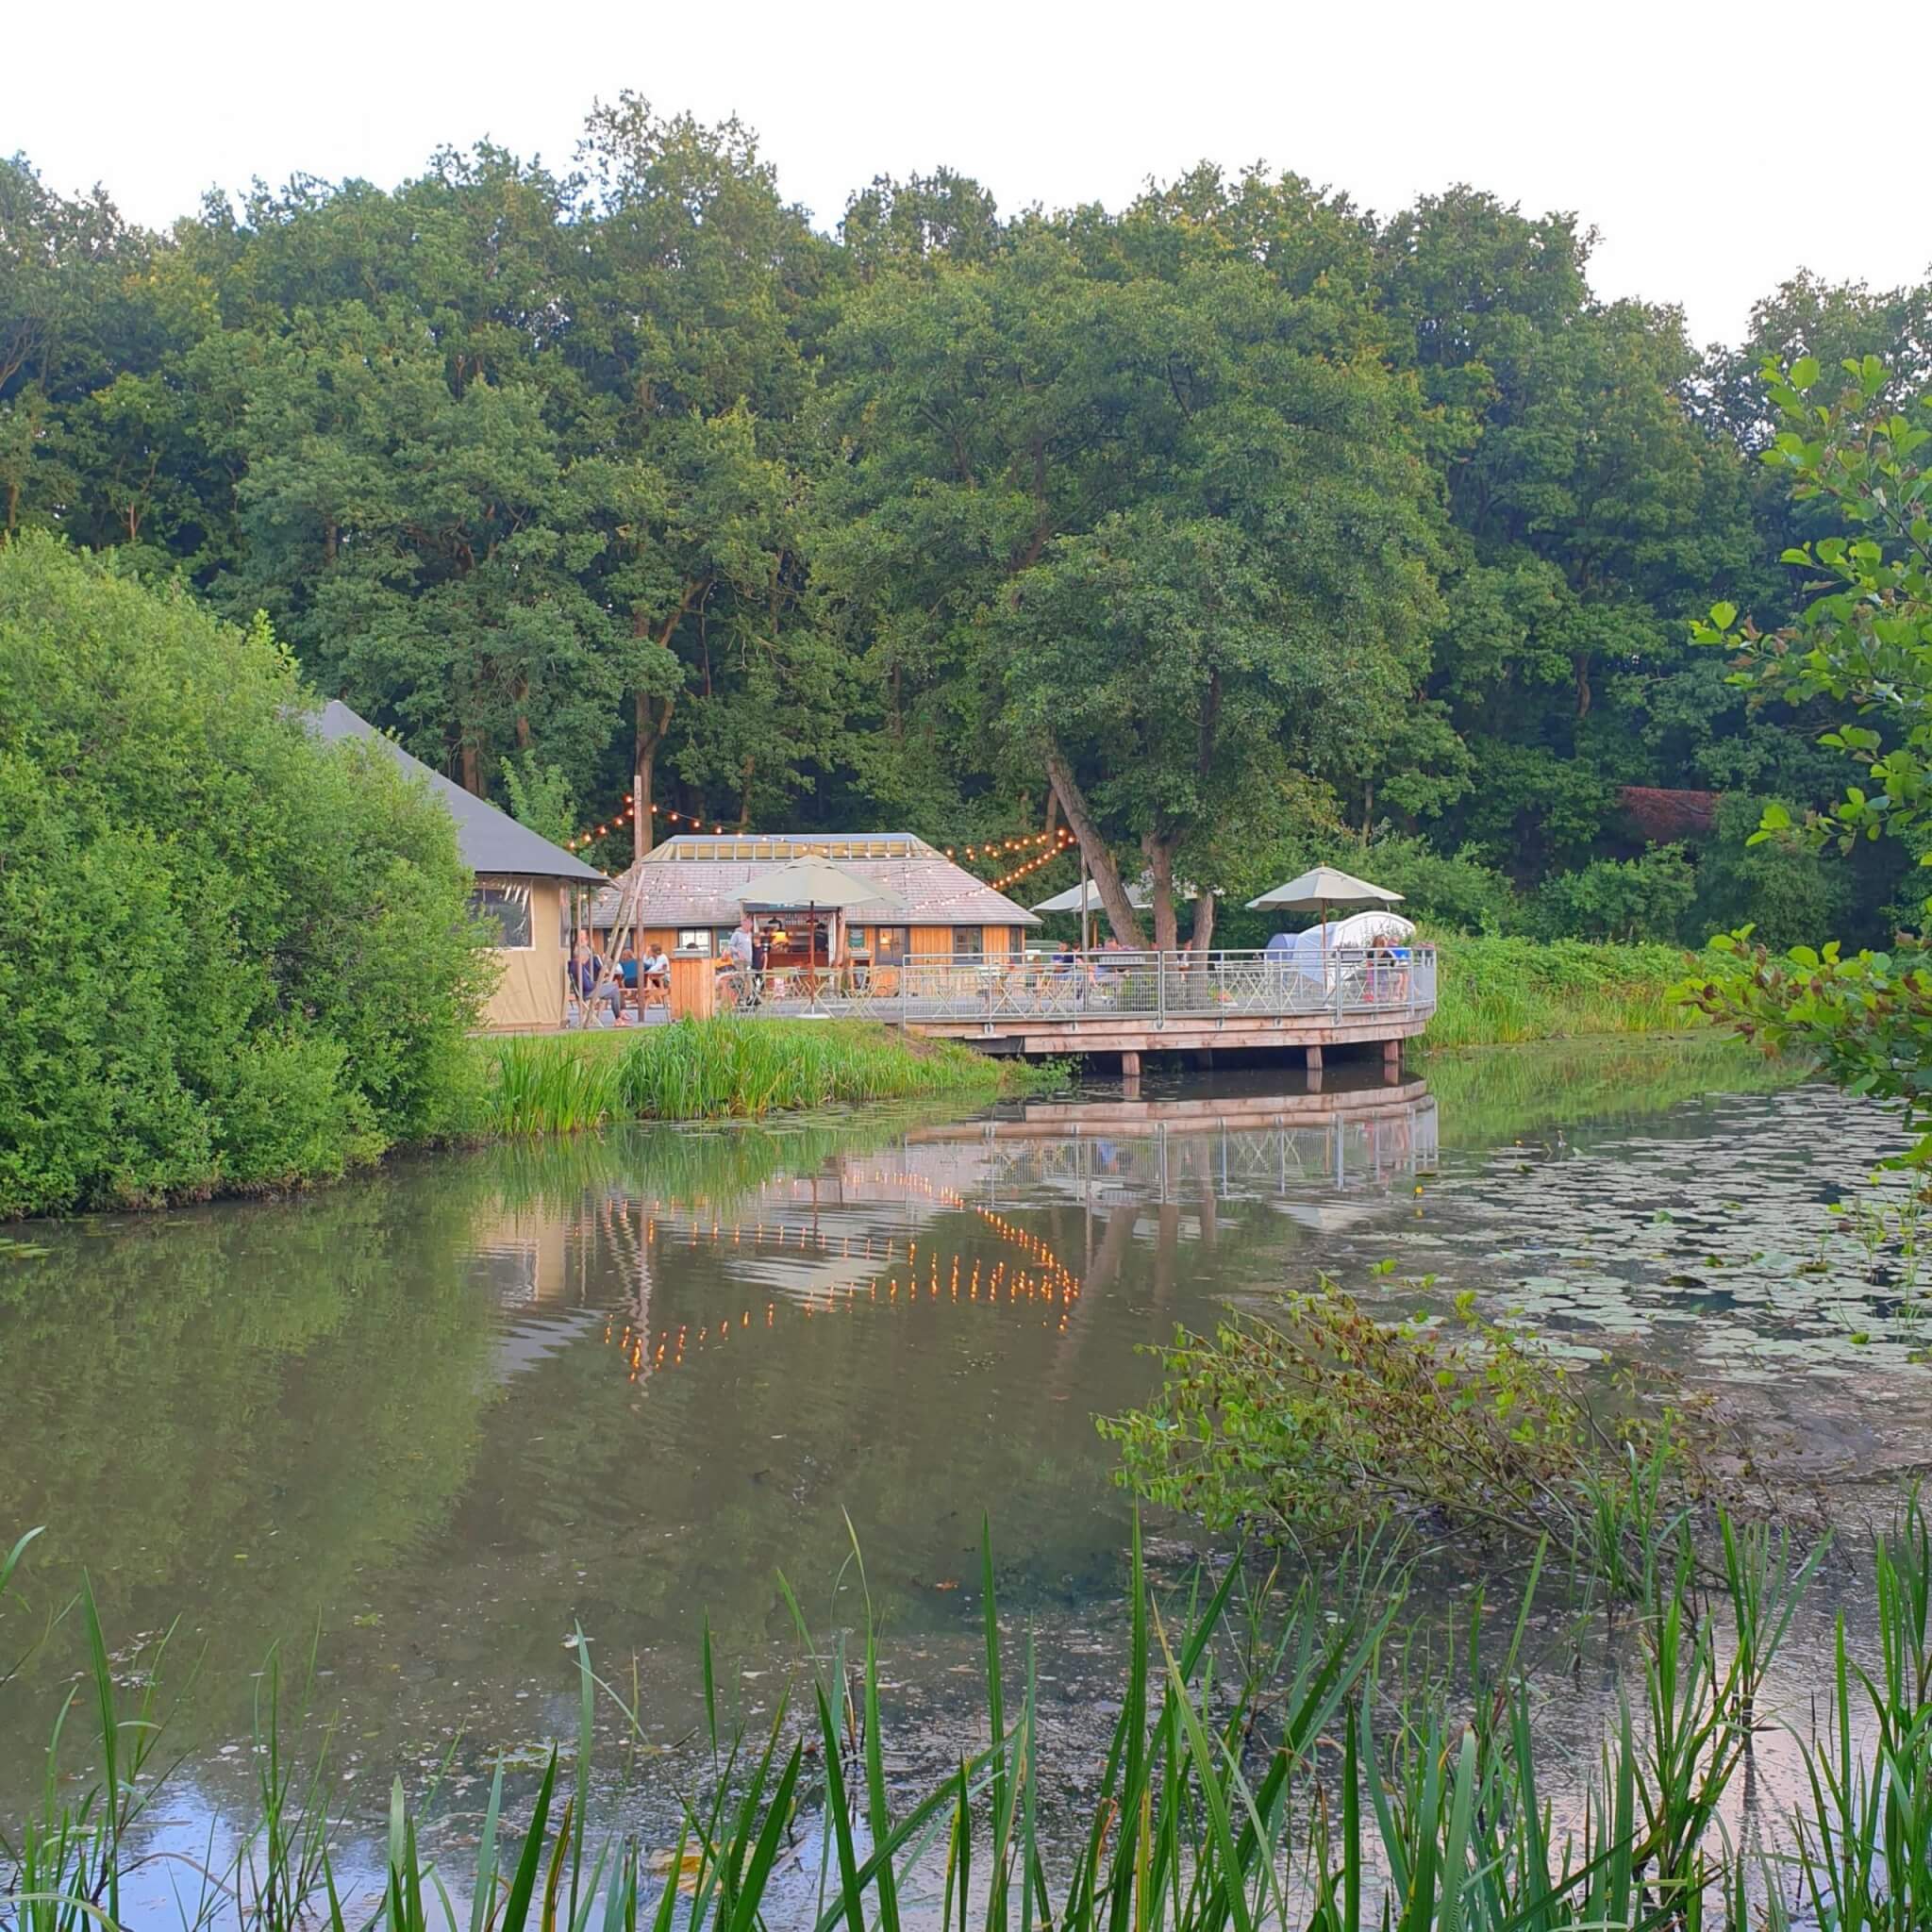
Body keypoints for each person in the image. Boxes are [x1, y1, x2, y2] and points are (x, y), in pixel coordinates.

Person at [641, 941, 672, 1007]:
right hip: (657, 979)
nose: (649, 952)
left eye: (650, 951)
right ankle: (647, 992)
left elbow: (654, 969)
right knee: (649, 977)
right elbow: (644, 963)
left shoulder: (662, 957)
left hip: (665, 980)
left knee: (649, 977)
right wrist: (646, 953)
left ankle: (647, 991)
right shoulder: (653, 958)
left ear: (653, 952)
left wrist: (647, 971)